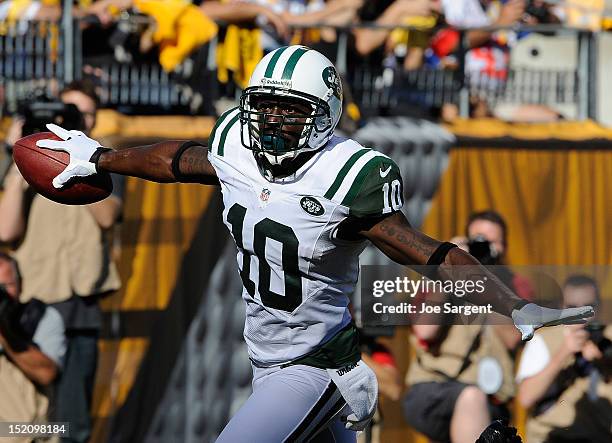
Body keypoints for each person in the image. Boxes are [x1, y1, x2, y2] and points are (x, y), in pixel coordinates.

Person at [35, 45, 592, 441]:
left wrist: (512, 305)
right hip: (267, 357)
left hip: (319, 365)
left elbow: (428, 253)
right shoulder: (235, 142)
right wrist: (100, 156)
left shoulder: (345, 176)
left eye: (290, 110)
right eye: (266, 106)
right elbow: (174, 160)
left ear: (323, 115)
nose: (273, 122)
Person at [0, 80, 124, 443]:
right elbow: (6, 232)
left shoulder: (107, 159)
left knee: (72, 423)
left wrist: (84, 163)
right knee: (24, 420)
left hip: (80, 302)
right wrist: (24, 161)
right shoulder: (22, 161)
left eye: (79, 115)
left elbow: (107, 218)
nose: (69, 123)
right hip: (31, 303)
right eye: (65, 114)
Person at [516, 275, 612, 443]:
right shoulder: (543, 340)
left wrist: (603, 363)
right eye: (572, 307)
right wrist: (563, 353)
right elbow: (526, 398)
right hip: (552, 436)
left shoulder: (609, 337)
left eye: (588, 307)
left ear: (599, 306)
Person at [0, 252, 66, 435]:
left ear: (21, 284)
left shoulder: (40, 318)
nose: (1, 294)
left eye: (6, 286)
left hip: (33, 432)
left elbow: (47, 374)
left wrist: (5, 335)